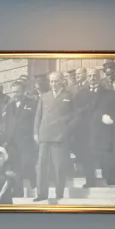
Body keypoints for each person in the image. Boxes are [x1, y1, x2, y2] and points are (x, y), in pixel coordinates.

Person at [33, 71, 74, 202]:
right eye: (51, 81)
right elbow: (38, 115)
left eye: (56, 81)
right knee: (42, 165)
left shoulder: (69, 96)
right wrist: (36, 133)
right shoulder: (44, 96)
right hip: (45, 134)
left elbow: (74, 116)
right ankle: (41, 193)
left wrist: (66, 130)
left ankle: (59, 193)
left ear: (62, 81)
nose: (53, 84)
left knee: (59, 165)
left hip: (60, 136)